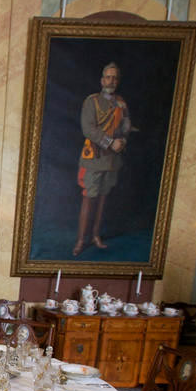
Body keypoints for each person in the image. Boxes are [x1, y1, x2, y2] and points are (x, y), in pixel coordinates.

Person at [74, 62, 131, 256]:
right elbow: (88, 128)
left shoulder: (121, 103)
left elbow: (125, 127)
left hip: (113, 160)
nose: (111, 81)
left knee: (103, 199)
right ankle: (81, 240)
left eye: (115, 78)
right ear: (102, 80)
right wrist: (110, 142)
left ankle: (96, 235)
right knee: (89, 199)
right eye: (108, 77)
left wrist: (122, 140)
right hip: (94, 158)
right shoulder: (92, 102)